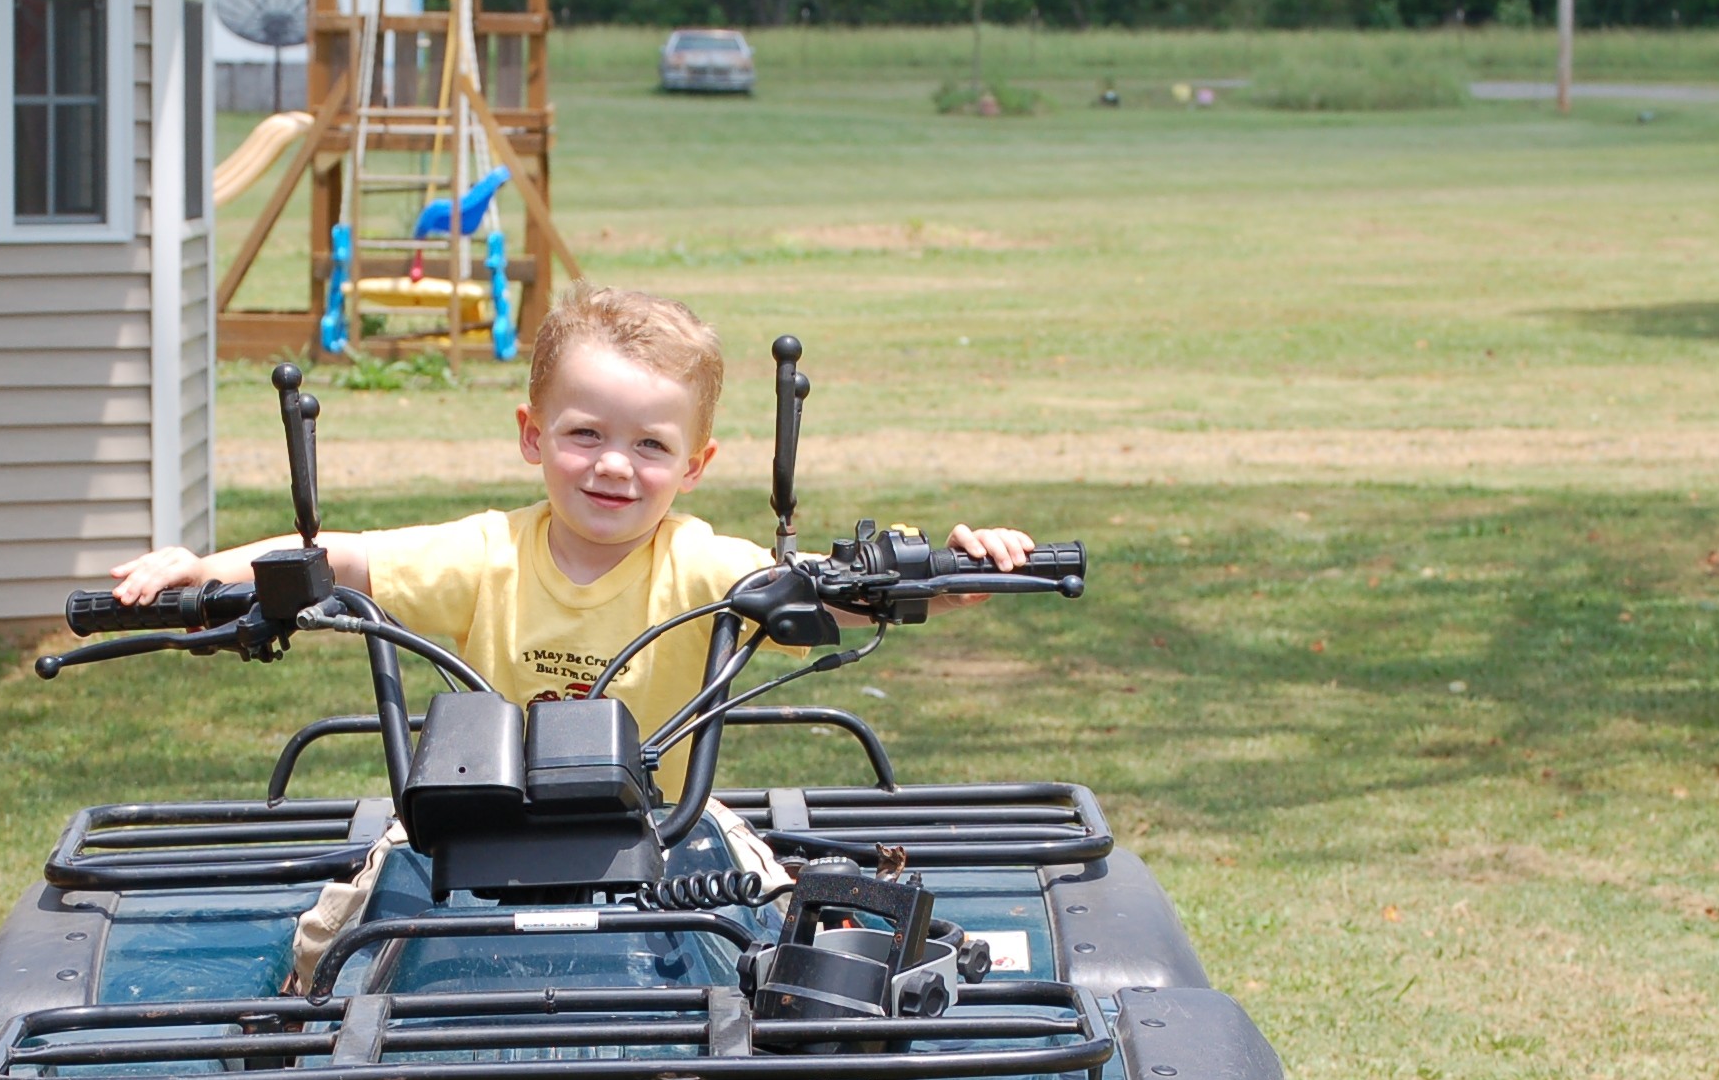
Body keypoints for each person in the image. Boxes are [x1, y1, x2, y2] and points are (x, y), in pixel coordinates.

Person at [105, 284, 1037, 985]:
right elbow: (338, 559)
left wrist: (955, 575)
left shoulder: (704, 565)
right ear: (532, 434)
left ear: (696, 463)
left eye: (650, 445)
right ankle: (303, 1060)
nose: (613, 466)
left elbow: (837, 594)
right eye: (585, 434)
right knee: (331, 944)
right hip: (467, 823)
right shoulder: (484, 554)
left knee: (787, 922)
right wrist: (208, 568)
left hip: (667, 818)